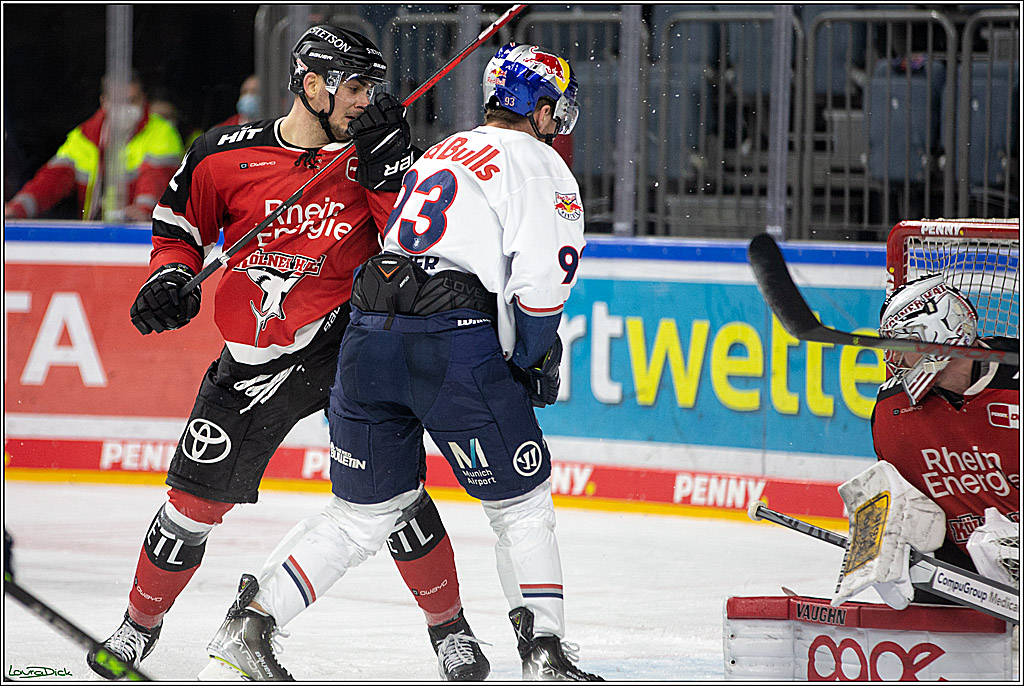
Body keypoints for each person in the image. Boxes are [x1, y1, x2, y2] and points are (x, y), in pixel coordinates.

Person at [86, 24, 487, 681]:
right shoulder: (221, 153)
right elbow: (176, 228)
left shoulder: (370, 156)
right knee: (190, 507)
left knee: (392, 492)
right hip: (250, 362)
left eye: (371, 89)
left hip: (344, 347)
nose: (366, 101)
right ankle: (137, 627)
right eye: (355, 87)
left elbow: (409, 253)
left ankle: (451, 630)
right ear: (311, 86)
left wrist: (391, 175)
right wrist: (166, 275)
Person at [198, 42, 603, 682]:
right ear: (540, 107)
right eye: (556, 106)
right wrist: (527, 358)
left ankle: (250, 627)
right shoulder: (541, 165)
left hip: (368, 333)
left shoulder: (446, 150)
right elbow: (540, 287)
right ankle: (545, 651)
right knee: (521, 505)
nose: (561, 119)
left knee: (361, 515)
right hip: (448, 338)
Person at [865, 274, 1019, 602]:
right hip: (963, 581)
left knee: (995, 543)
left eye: (900, 346)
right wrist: (880, 539)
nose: (891, 361)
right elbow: (896, 499)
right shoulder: (891, 410)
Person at [5, 72, 183, 222]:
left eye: (132, 101)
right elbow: (50, 181)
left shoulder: (162, 132)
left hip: (141, 235)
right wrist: (16, 209)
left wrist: (143, 210)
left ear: (143, 99)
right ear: (104, 101)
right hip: (96, 234)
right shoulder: (85, 137)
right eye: (118, 101)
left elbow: (156, 177)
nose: (126, 109)